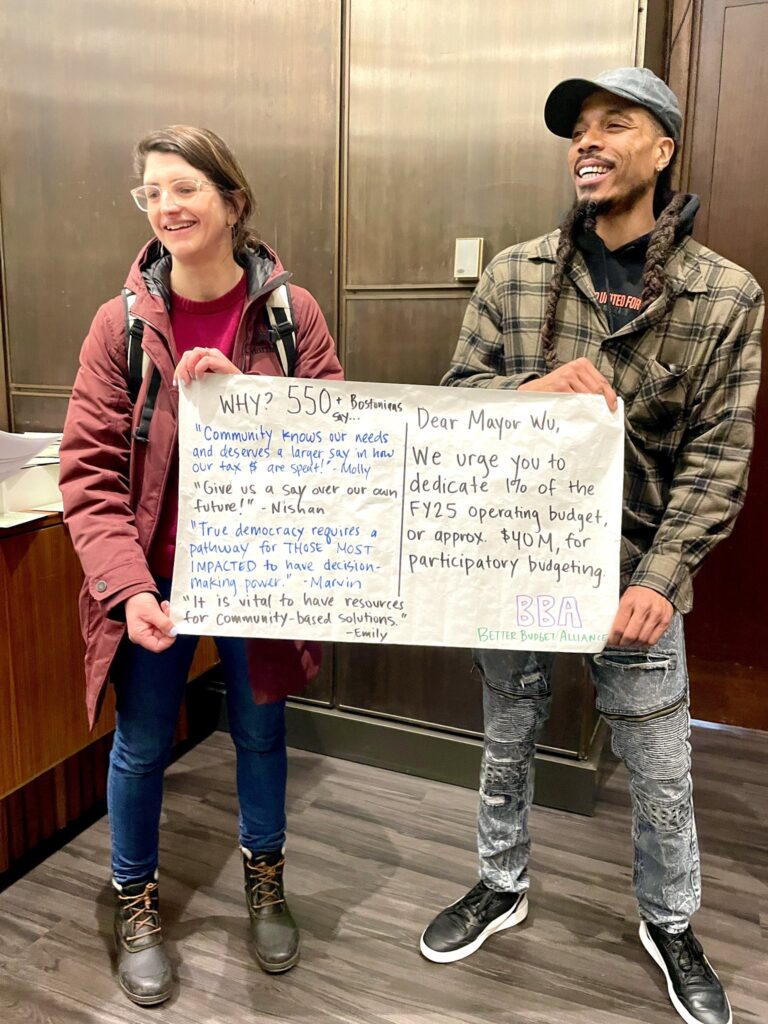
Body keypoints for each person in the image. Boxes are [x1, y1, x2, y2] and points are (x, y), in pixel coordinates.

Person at [419, 68, 762, 1024]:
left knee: (660, 769)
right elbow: (454, 398)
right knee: (508, 736)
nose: (589, 141)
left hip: (636, 579)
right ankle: (499, 882)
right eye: (578, 129)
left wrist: (663, 577)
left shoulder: (724, 297)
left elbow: (717, 459)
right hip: (516, 557)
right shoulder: (517, 274)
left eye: (617, 124)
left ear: (665, 148)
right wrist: (526, 395)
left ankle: (671, 923)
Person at [59, 125, 343, 1006]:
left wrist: (249, 404)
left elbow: (338, 446)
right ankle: (133, 897)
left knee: (259, 732)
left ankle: (266, 879)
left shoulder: (292, 316)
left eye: (185, 187)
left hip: (258, 571)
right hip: (159, 581)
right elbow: (90, 473)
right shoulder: (122, 324)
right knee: (142, 744)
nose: (168, 205)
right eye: (152, 190)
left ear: (232, 199)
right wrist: (128, 587)